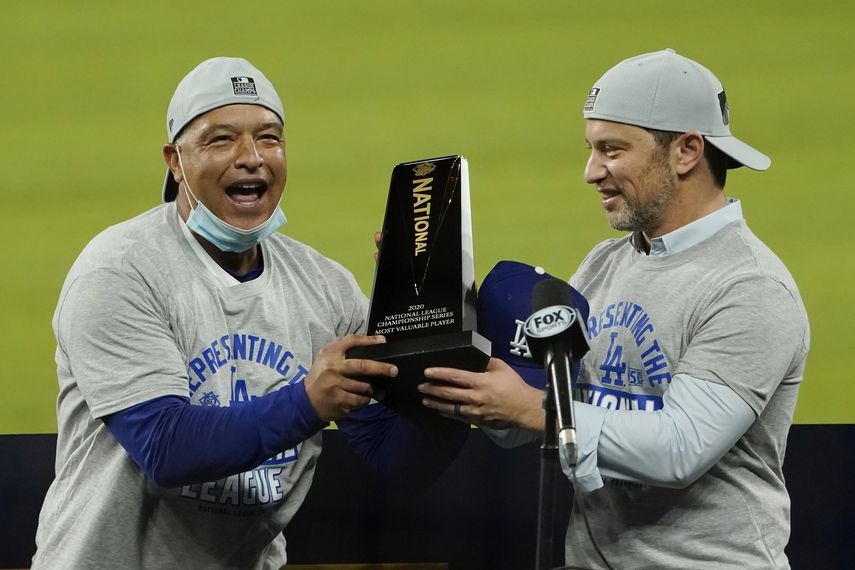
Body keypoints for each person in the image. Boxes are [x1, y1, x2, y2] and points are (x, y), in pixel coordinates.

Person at [33, 56, 466, 569]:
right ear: (175, 160)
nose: (252, 158)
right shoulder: (121, 270)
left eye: (270, 138)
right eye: (222, 140)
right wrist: (306, 403)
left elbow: (394, 457)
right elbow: (164, 447)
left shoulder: (324, 286)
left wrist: (443, 352)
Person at [419, 48, 810, 569]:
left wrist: (531, 409)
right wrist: (444, 320)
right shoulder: (606, 264)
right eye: (591, 148)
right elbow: (529, 415)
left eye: (612, 150)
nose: (590, 172)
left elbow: (678, 448)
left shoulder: (749, 288)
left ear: (687, 151)